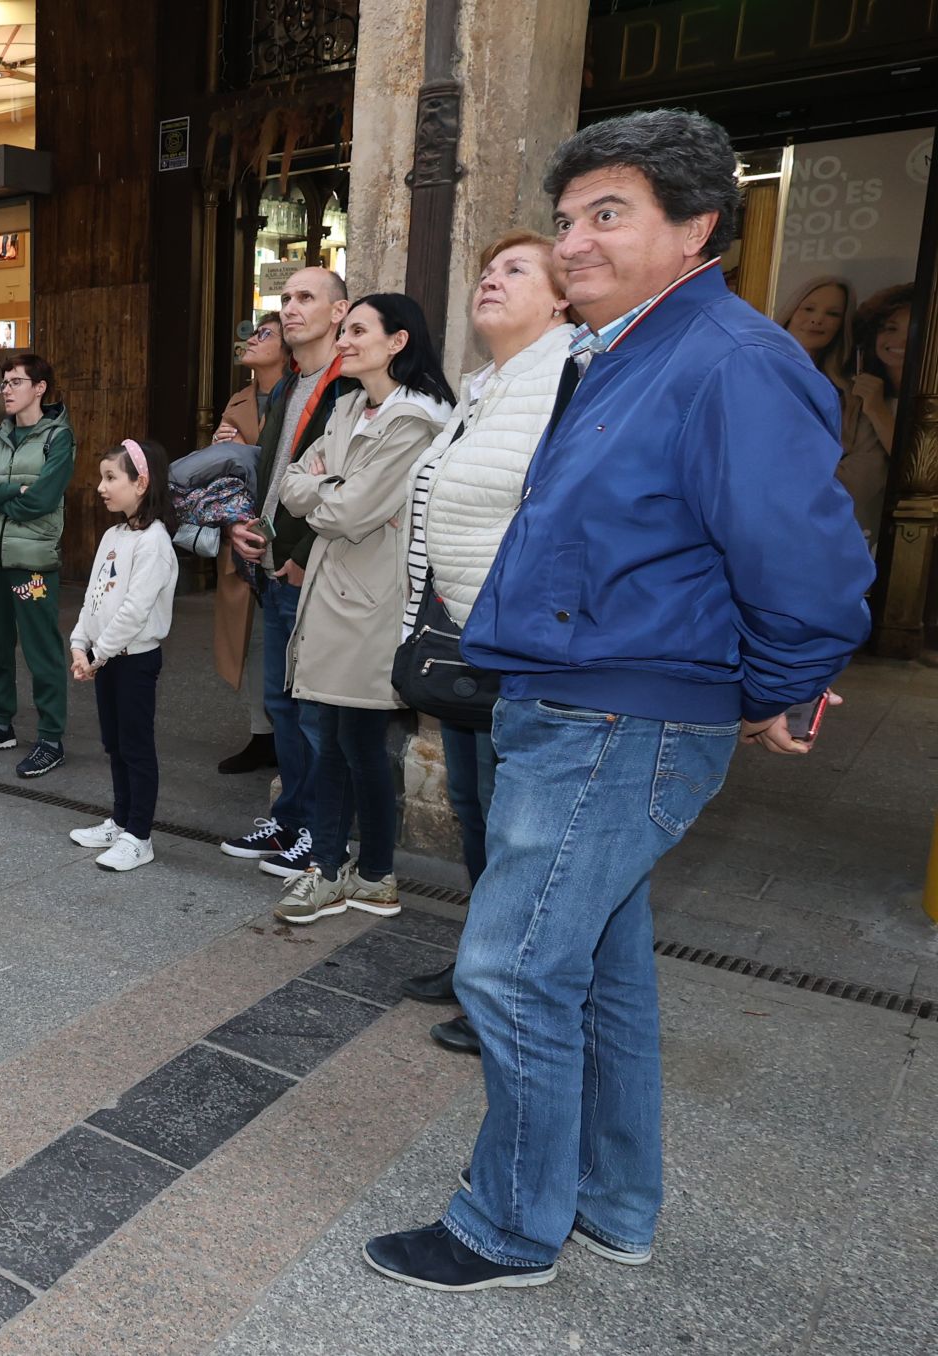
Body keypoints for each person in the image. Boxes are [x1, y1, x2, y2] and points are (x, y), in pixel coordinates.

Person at [363, 109, 872, 1293]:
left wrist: (787, 685)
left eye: (610, 215)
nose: (575, 242)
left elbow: (807, 560)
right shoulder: (628, 349)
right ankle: (611, 1203)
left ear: (697, 228)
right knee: (596, 968)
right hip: (583, 702)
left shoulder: (728, 360)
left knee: (511, 967)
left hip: (618, 717)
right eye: (567, 217)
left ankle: (508, 1227)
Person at [390, 232, 577, 1056]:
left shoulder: (567, 380)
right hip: (464, 633)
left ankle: (505, 991)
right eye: (488, 269)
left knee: (515, 827)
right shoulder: (486, 386)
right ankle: (479, 962)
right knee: (473, 811)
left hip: (518, 645)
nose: (490, 281)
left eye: (516, 271)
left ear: (563, 297)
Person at [270, 294, 454, 925]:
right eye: (342, 330)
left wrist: (324, 487)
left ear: (398, 342)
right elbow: (294, 482)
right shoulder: (349, 405)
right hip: (333, 595)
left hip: (373, 605)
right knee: (340, 743)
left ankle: (362, 872)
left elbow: (346, 511)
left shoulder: (414, 421)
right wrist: (329, 485)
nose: (343, 341)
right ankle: (352, 870)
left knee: (356, 746)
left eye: (356, 330)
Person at [218, 269, 354, 876]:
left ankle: (327, 837)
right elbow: (270, 477)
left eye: (305, 298)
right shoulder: (290, 385)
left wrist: (300, 554)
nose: (290, 308)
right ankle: (294, 820)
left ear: (338, 311)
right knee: (282, 704)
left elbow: (344, 487)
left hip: (313, 572)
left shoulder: (348, 385)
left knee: (316, 713)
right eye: (286, 298)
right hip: (272, 567)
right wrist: (244, 524)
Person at [0, 352, 75, 779]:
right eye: (4, 383)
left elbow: (43, 499)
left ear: (39, 388)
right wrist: (17, 486)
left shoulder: (58, 439)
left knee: (41, 649)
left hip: (33, 565)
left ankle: (50, 738)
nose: (6, 390)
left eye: (15, 382)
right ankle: (0, 724)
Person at [67, 439, 180, 872]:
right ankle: (120, 819)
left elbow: (134, 611)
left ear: (141, 482)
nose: (101, 486)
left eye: (111, 477)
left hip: (133, 660)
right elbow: (94, 597)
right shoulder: (114, 535)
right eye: (102, 477)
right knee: (114, 743)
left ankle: (140, 835)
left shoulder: (154, 543)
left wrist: (96, 654)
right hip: (107, 657)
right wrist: (80, 643)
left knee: (136, 746)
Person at [208, 313, 291, 775]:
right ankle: (262, 737)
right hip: (239, 534)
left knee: (286, 639)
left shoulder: (300, 394)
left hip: (283, 535)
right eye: (251, 333)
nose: (252, 340)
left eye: (266, 334)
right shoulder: (238, 399)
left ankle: (289, 737)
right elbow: (216, 474)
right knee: (254, 640)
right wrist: (220, 447)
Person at [839, 282, 912, 547]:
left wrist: (878, 410)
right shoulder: (853, 393)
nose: (899, 341)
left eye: (912, 329)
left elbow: (918, 471)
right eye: (890, 328)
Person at [775, 275, 851, 390]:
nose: (817, 319)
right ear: (790, 312)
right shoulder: (757, 367)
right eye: (808, 309)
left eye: (832, 314)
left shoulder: (847, 390)